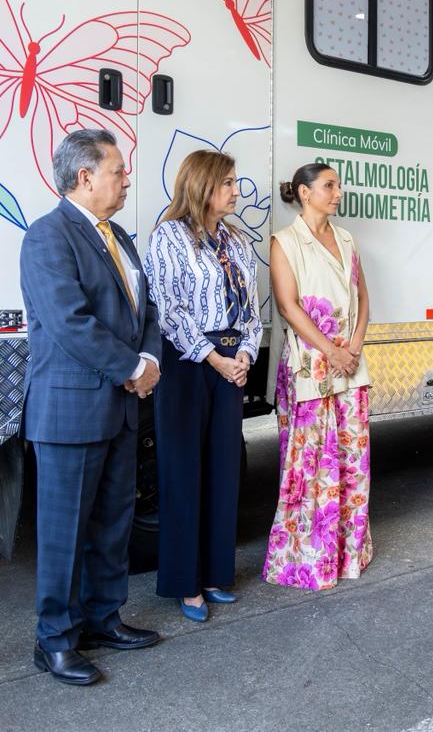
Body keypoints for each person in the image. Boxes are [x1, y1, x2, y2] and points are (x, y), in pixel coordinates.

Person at [19, 129, 163, 686]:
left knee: (112, 523)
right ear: (85, 177)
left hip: (119, 408)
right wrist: (132, 369)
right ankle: (54, 641)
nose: (126, 179)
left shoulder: (118, 235)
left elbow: (145, 309)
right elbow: (69, 323)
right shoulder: (48, 236)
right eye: (118, 170)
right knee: (64, 533)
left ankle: (104, 619)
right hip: (72, 412)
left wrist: (149, 358)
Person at [144, 151, 262, 622]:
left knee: (223, 470)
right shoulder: (168, 236)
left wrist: (245, 354)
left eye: (235, 181)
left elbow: (251, 309)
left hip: (231, 362)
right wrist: (214, 358)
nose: (236, 191)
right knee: (183, 471)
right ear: (202, 185)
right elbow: (167, 309)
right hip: (189, 362)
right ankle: (185, 584)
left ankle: (215, 575)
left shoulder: (236, 240)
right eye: (227, 182)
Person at [262, 163, 373, 590]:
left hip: (350, 364)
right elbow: (288, 306)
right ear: (305, 193)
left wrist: (354, 346)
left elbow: (363, 297)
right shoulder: (285, 242)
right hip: (311, 366)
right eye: (329, 185)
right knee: (311, 463)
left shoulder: (347, 239)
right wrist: (333, 351)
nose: (338, 192)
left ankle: (347, 552)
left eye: (338, 185)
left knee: (351, 460)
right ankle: (308, 558)